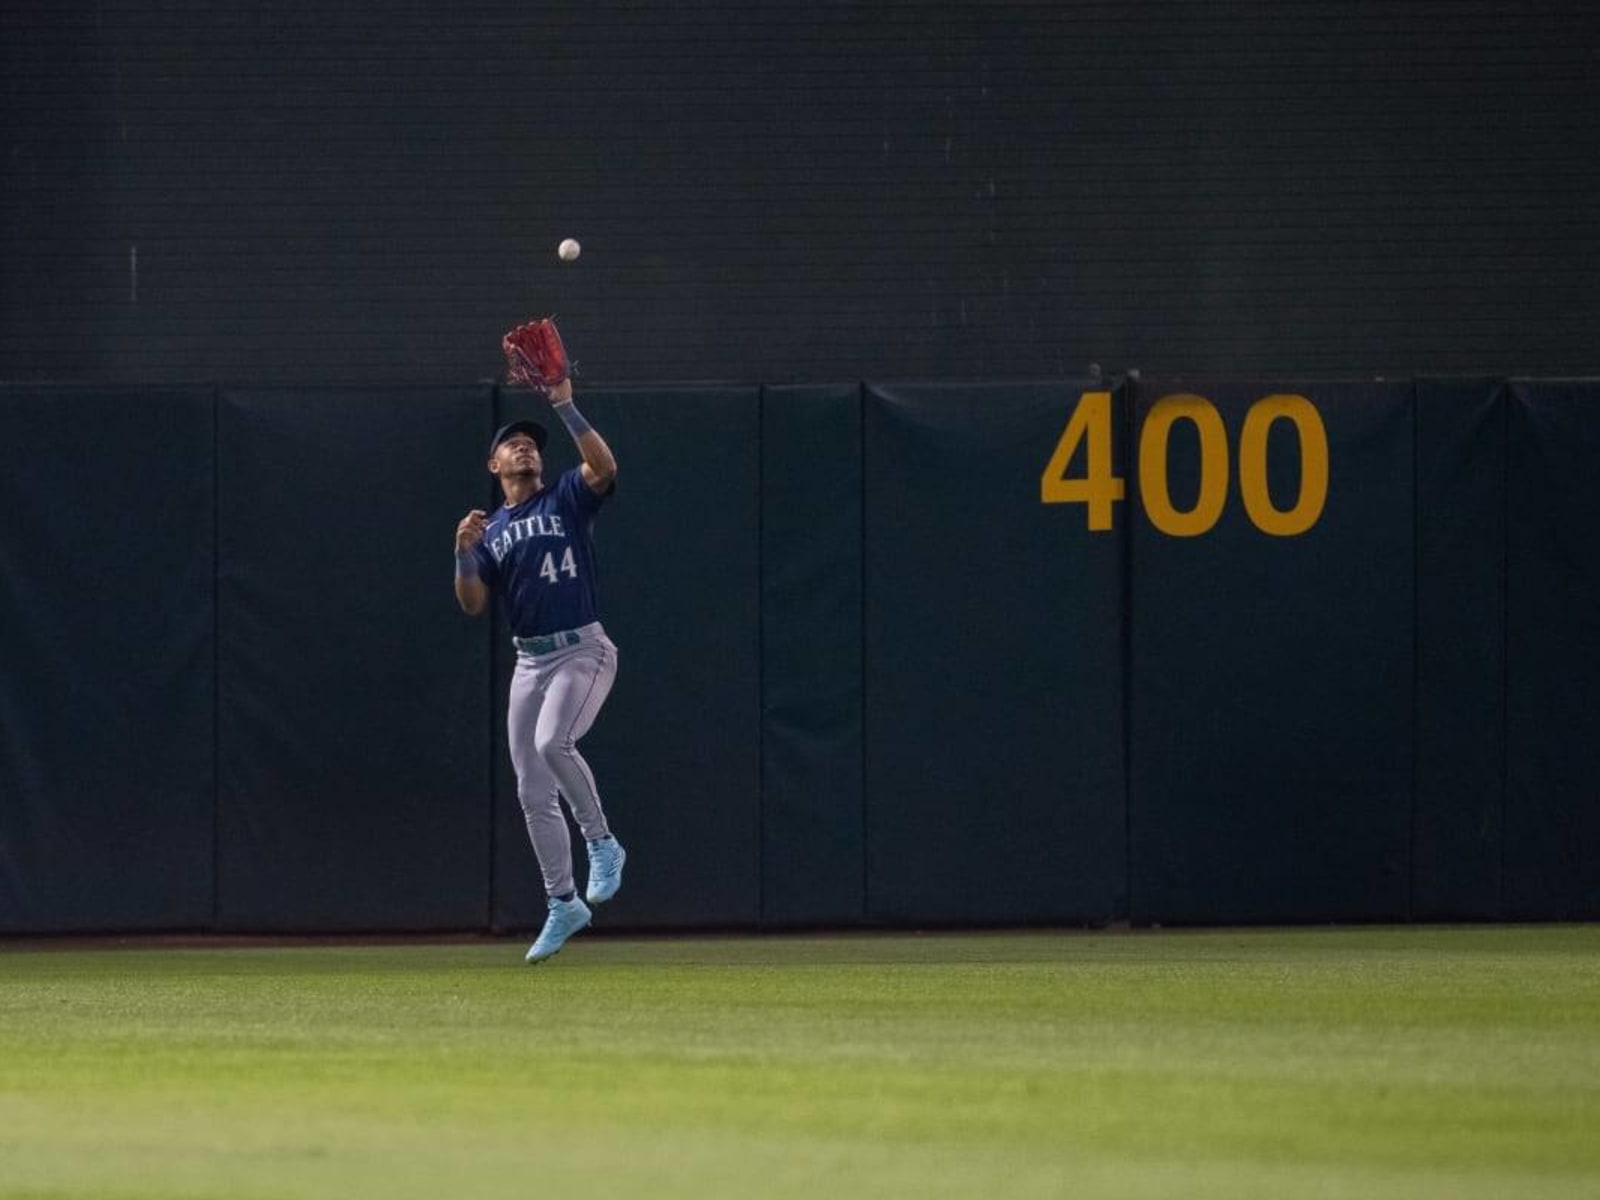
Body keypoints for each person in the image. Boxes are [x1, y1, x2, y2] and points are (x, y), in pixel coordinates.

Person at [453, 378, 626, 964]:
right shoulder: (491, 530)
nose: (525, 447)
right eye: (513, 443)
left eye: (531, 442)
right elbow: (473, 603)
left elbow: (603, 467)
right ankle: (563, 902)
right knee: (531, 790)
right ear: (493, 463)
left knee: (555, 743)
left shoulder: (564, 498)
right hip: (531, 660)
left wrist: (563, 403)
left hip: (583, 649)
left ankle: (603, 843)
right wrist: (461, 553)